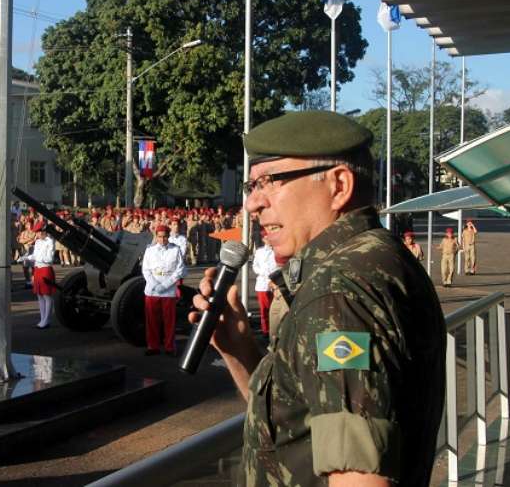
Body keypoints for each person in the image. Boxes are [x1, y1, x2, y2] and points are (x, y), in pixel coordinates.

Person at [189, 111, 446, 487]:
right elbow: (297, 426)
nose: (252, 204)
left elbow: (360, 479)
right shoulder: (375, 256)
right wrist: (239, 349)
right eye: (251, 186)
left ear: (338, 185)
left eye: (270, 181)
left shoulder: (338, 291)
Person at [141, 224, 185, 356]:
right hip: (152, 289)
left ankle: (169, 347)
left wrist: (165, 285)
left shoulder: (175, 250)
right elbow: (145, 269)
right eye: (159, 237)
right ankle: (153, 346)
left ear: (168, 236)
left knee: (169, 321)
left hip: (168, 290)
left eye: (165, 237)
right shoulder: (150, 250)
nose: (162, 239)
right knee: (152, 320)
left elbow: (180, 270)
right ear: (156, 237)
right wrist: (154, 284)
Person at [26, 221, 56, 329]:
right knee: (39, 295)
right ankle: (42, 318)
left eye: (38, 232)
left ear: (43, 231)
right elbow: (34, 255)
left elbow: (49, 259)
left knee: (47, 295)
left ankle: (47, 320)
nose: (37, 235)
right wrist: (27, 257)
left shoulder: (50, 241)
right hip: (37, 269)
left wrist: (37, 258)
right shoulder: (38, 242)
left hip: (45, 269)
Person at [252, 237, 278, 335]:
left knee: (276, 310)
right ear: (263, 239)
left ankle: (276, 331)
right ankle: (266, 331)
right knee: (264, 310)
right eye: (266, 237)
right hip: (262, 284)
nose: (269, 238)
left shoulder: (278, 250)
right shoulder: (259, 252)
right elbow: (255, 266)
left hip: (276, 283)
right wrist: (263, 272)